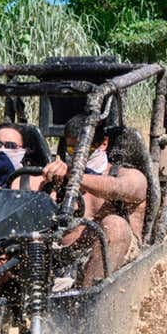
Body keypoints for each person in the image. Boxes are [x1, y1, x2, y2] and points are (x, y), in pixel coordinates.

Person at [42, 114, 147, 286]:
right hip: (63, 257)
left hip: (118, 257)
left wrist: (75, 176)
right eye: (70, 150)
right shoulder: (61, 178)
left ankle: (87, 302)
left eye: (85, 149)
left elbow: (122, 188)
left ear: (103, 143)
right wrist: (48, 176)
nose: (77, 155)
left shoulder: (126, 174)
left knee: (115, 224)